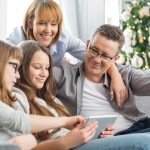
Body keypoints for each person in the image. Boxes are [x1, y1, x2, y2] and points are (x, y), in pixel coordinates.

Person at [1, 40, 150, 150]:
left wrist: (93, 131)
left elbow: (68, 128)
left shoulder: (49, 98)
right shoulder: (17, 97)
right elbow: (26, 137)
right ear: (21, 67)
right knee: (145, 142)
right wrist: (67, 139)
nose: (44, 74)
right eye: (37, 67)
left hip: (83, 142)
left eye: (47, 68)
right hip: (68, 146)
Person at [6, 0, 128, 105]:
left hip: (47, 89)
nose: (48, 30)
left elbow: (92, 55)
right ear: (29, 23)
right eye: (42, 23)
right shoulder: (16, 39)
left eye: (54, 24)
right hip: (19, 88)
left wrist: (116, 75)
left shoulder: (64, 38)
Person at [53, 24, 150, 134]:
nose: (97, 59)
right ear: (88, 45)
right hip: (118, 138)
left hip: (140, 126)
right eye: (94, 50)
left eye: (105, 56)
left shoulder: (124, 74)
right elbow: (33, 73)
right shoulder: (64, 74)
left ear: (115, 59)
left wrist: (115, 75)